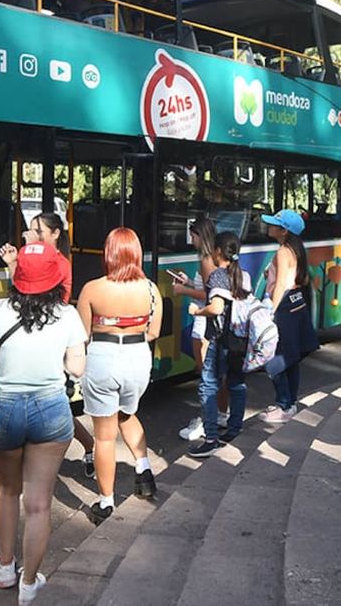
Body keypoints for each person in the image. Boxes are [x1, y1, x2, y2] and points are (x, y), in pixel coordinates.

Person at [0, 243, 87, 604]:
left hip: (5, 408)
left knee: (7, 490)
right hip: (50, 409)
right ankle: (29, 584)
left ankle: (5, 567)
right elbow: (77, 368)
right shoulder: (68, 315)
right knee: (39, 503)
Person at [77, 227, 163, 524]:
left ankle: (106, 502)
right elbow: (153, 332)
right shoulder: (150, 289)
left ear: (109, 254)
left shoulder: (92, 289)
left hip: (103, 357)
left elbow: (82, 335)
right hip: (138, 358)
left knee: (104, 436)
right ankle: (143, 469)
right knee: (126, 414)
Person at [1, 212, 96, 478]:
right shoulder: (35, 258)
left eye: (39, 231)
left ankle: (88, 444)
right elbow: (23, 286)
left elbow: (42, 293)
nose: (32, 235)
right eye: (30, 230)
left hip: (51, 338)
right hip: (32, 332)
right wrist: (15, 262)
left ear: (55, 234)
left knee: (53, 404)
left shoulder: (60, 263)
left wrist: (28, 251)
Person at [187, 232, 251, 457]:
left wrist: (197, 311)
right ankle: (234, 429)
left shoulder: (217, 276)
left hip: (221, 339)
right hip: (240, 339)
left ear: (218, 251)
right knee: (236, 383)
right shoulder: (243, 275)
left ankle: (211, 438)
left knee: (208, 386)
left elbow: (216, 308)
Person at [172, 218, 232, 439]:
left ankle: (209, 420)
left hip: (203, 321)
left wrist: (183, 291)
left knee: (207, 376)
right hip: (207, 322)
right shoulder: (211, 259)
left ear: (201, 236)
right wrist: (189, 282)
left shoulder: (206, 260)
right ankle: (221, 414)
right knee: (214, 374)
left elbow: (210, 296)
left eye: (193, 235)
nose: (191, 239)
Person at [259, 209, 317, 424]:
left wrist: (270, 312)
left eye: (274, 224)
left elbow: (281, 284)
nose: (269, 226)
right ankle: (290, 403)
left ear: (284, 231)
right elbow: (297, 280)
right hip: (295, 305)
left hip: (283, 308)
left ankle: (283, 404)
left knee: (274, 358)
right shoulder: (296, 250)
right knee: (291, 359)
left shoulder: (283, 252)